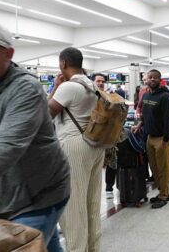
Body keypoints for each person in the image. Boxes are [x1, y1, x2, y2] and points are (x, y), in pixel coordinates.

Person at [0, 18, 70, 252]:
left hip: (37, 196)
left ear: (8, 54)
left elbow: (7, 148)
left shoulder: (26, 89)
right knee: (43, 243)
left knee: (20, 244)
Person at [48, 47, 103, 252]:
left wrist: (55, 87)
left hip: (73, 146)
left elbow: (45, 115)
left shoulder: (68, 87)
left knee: (73, 207)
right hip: (95, 144)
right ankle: (93, 248)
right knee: (91, 203)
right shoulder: (92, 85)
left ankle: (77, 249)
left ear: (63, 64)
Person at [131, 69, 169, 209]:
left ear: (160, 79)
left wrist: (165, 140)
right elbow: (145, 115)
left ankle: (164, 194)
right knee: (154, 167)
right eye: (149, 77)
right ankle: (163, 191)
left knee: (163, 166)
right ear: (146, 79)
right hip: (150, 136)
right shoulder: (145, 95)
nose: (152, 80)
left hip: (164, 137)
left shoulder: (166, 98)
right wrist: (139, 125)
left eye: (155, 78)